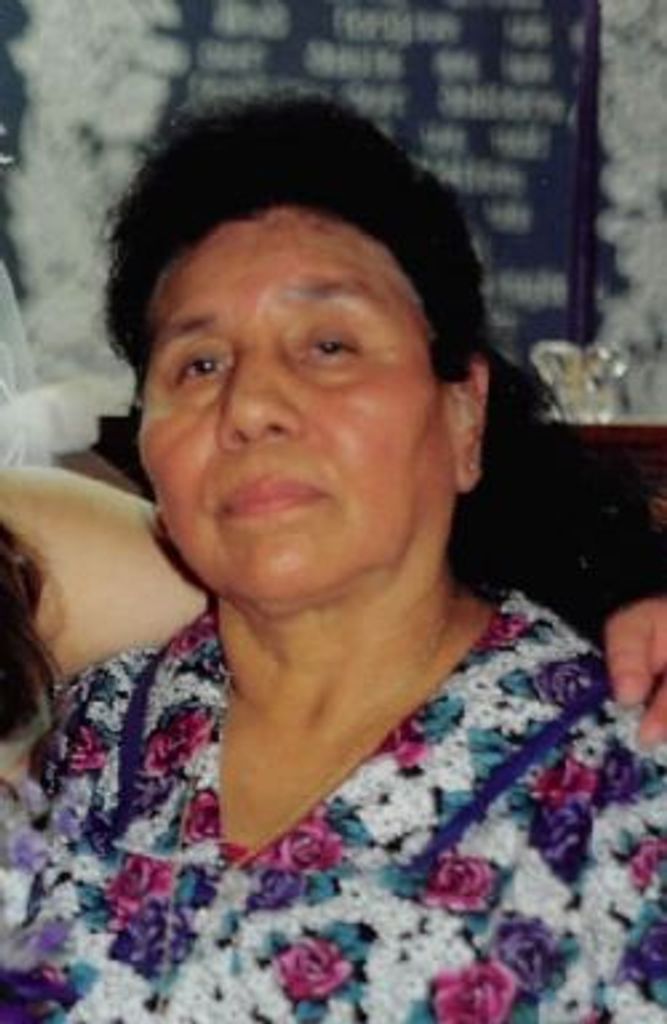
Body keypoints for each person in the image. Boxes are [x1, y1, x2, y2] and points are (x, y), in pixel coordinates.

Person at [4, 96, 666, 1022]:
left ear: (464, 413)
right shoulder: (88, 745)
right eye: (198, 365)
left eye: (328, 346)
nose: (251, 406)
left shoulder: (616, 786)